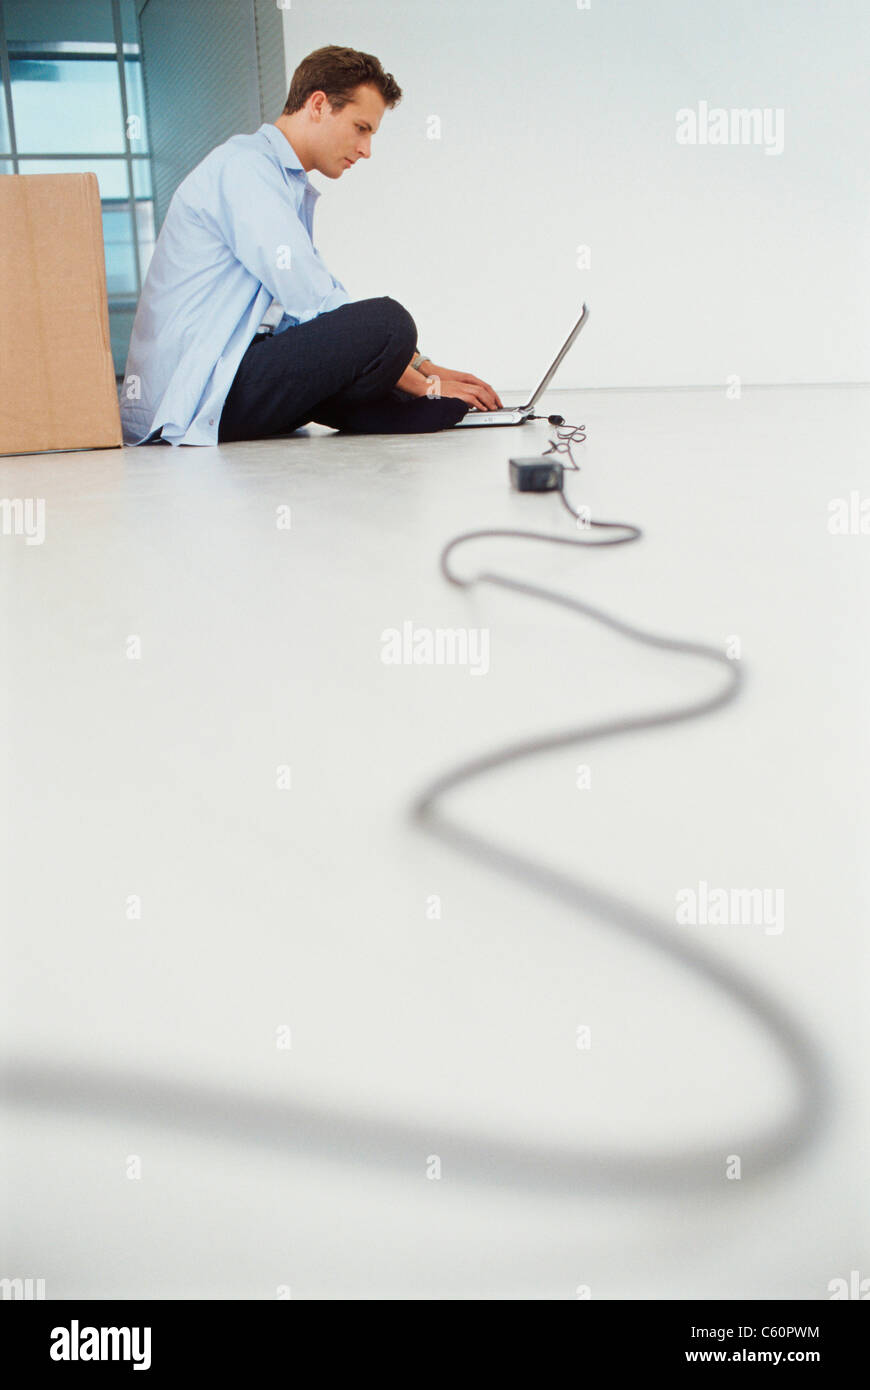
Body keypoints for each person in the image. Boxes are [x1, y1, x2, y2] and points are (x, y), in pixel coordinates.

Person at [120, 44, 502, 446]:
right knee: (389, 324)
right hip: (198, 392)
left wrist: (425, 367)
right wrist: (425, 380)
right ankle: (420, 400)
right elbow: (313, 299)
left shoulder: (282, 180)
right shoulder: (245, 168)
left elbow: (309, 313)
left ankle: (434, 406)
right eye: (361, 128)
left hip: (233, 370)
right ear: (318, 105)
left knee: (382, 369)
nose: (366, 150)